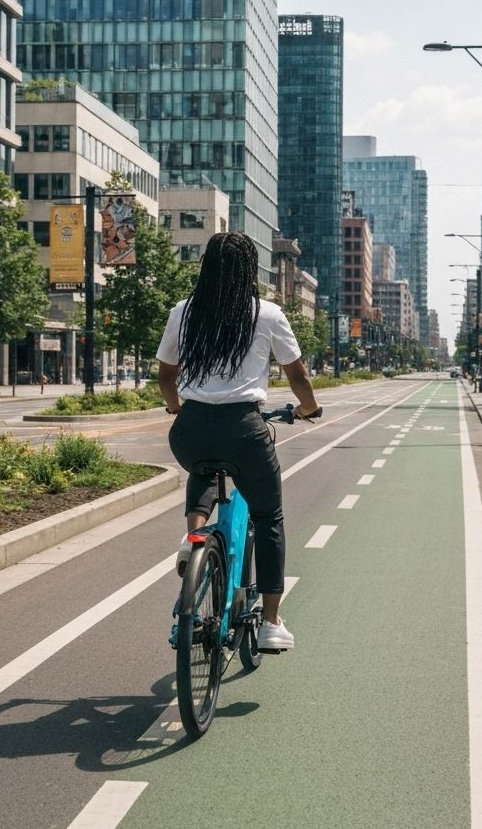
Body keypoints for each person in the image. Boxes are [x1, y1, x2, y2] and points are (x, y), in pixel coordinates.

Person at [156, 231, 321, 653]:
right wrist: (308, 408)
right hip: (244, 428)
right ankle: (269, 622)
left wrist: (177, 408)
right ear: (250, 270)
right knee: (269, 520)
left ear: (206, 266)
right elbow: (297, 375)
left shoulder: (183, 311)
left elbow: (166, 375)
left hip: (191, 429)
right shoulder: (266, 314)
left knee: (204, 465)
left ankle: (193, 539)